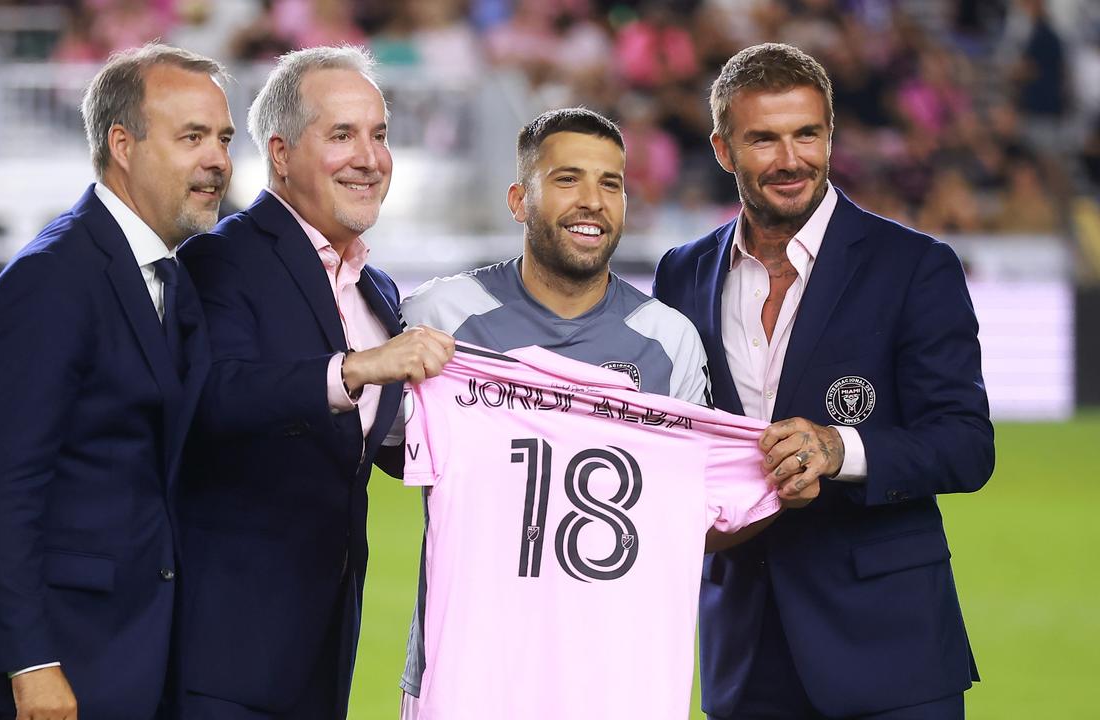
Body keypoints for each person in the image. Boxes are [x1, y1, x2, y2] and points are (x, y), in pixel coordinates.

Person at [396, 107, 803, 719]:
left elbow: (693, 512)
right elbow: (381, 451)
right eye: (567, 179)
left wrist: (777, 488)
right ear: (518, 199)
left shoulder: (669, 341)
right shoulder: (440, 319)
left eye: (611, 184)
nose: (593, 200)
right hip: (466, 674)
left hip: (616, 681)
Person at [653, 43, 995, 720]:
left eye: (807, 134)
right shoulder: (681, 273)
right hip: (743, 649)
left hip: (890, 652)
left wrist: (841, 450)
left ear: (831, 136)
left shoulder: (914, 266)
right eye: (764, 139)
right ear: (723, 151)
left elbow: (965, 444)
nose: (790, 160)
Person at [0, 43, 234, 720]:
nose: (218, 160)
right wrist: (30, 663)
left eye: (224, 138)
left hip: (131, 655)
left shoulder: (173, 274)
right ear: (124, 144)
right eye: (193, 137)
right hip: (53, 669)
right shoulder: (51, 280)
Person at [175, 45, 454, 720]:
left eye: (379, 135)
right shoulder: (218, 257)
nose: (370, 157)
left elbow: (376, 441)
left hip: (324, 648)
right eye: (342, 135)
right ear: (280, 152)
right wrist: (358, 368)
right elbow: (215, 397)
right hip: (221, 654)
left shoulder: (378, 289)